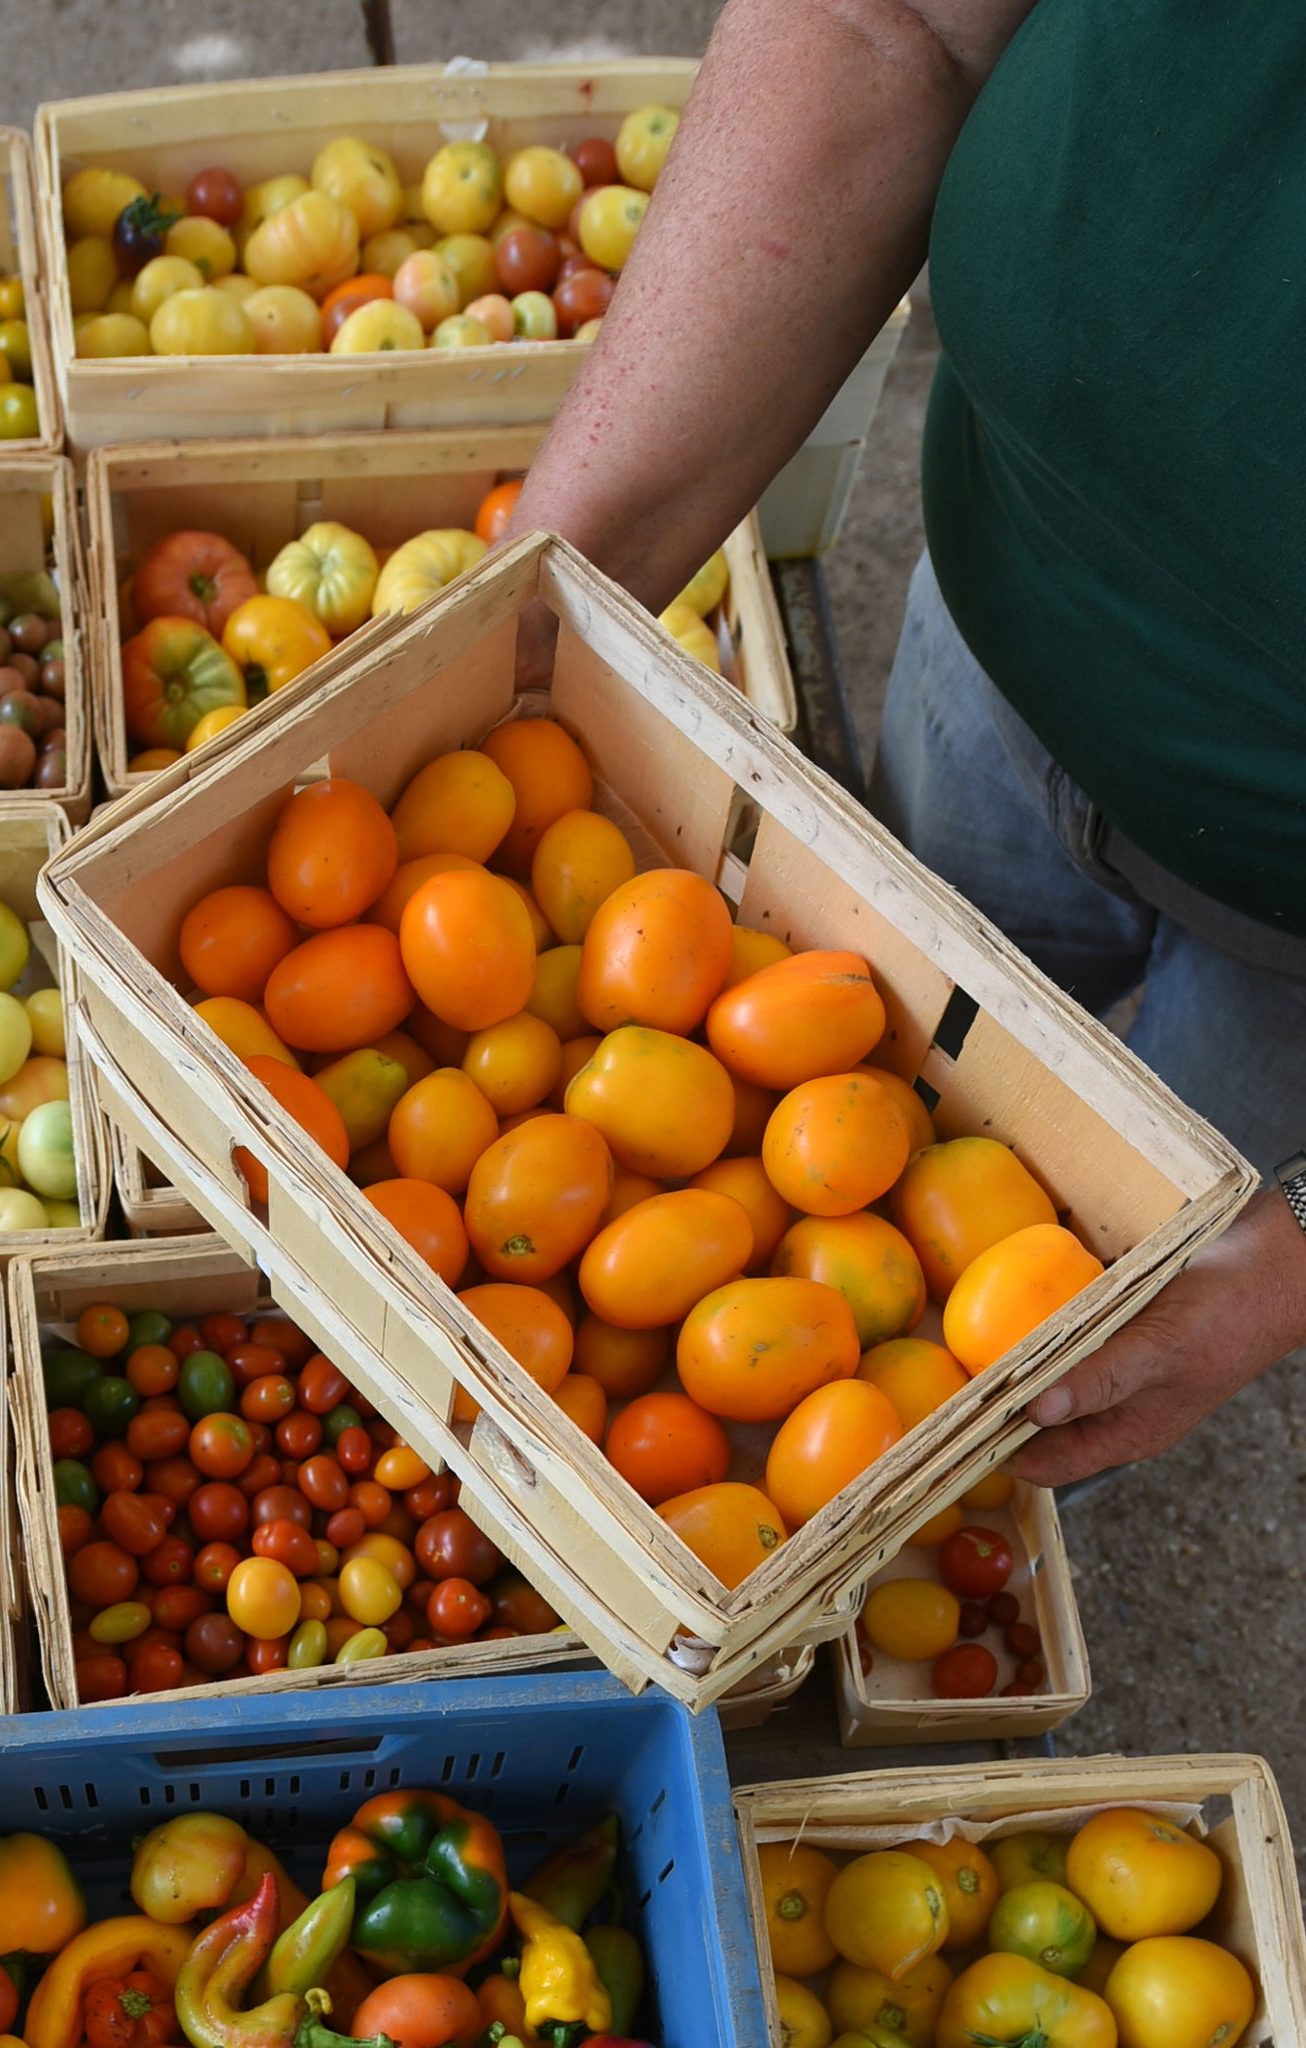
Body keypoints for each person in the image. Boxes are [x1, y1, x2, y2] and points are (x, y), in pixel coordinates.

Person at [512, 0, 1306, 1485]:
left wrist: (1301, 1245)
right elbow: (888, 25)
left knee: (1086, 1326)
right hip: (1007, 620)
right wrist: (546, 594)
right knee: (873, 1070)